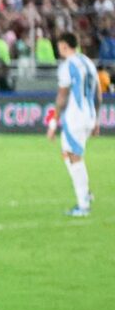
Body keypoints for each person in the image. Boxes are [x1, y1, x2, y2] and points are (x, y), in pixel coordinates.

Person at [52, 32, 98, 217]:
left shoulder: (67, 65)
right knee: (67, 153)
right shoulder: (88, 62)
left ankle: (83, 204)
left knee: (73, 156)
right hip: (89, 115)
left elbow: (62, 96)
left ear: (64, 45)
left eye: (59, 46)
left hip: (76, 116)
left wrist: (52, 122)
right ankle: (85, 193)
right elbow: (98, 93)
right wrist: (96, 118)